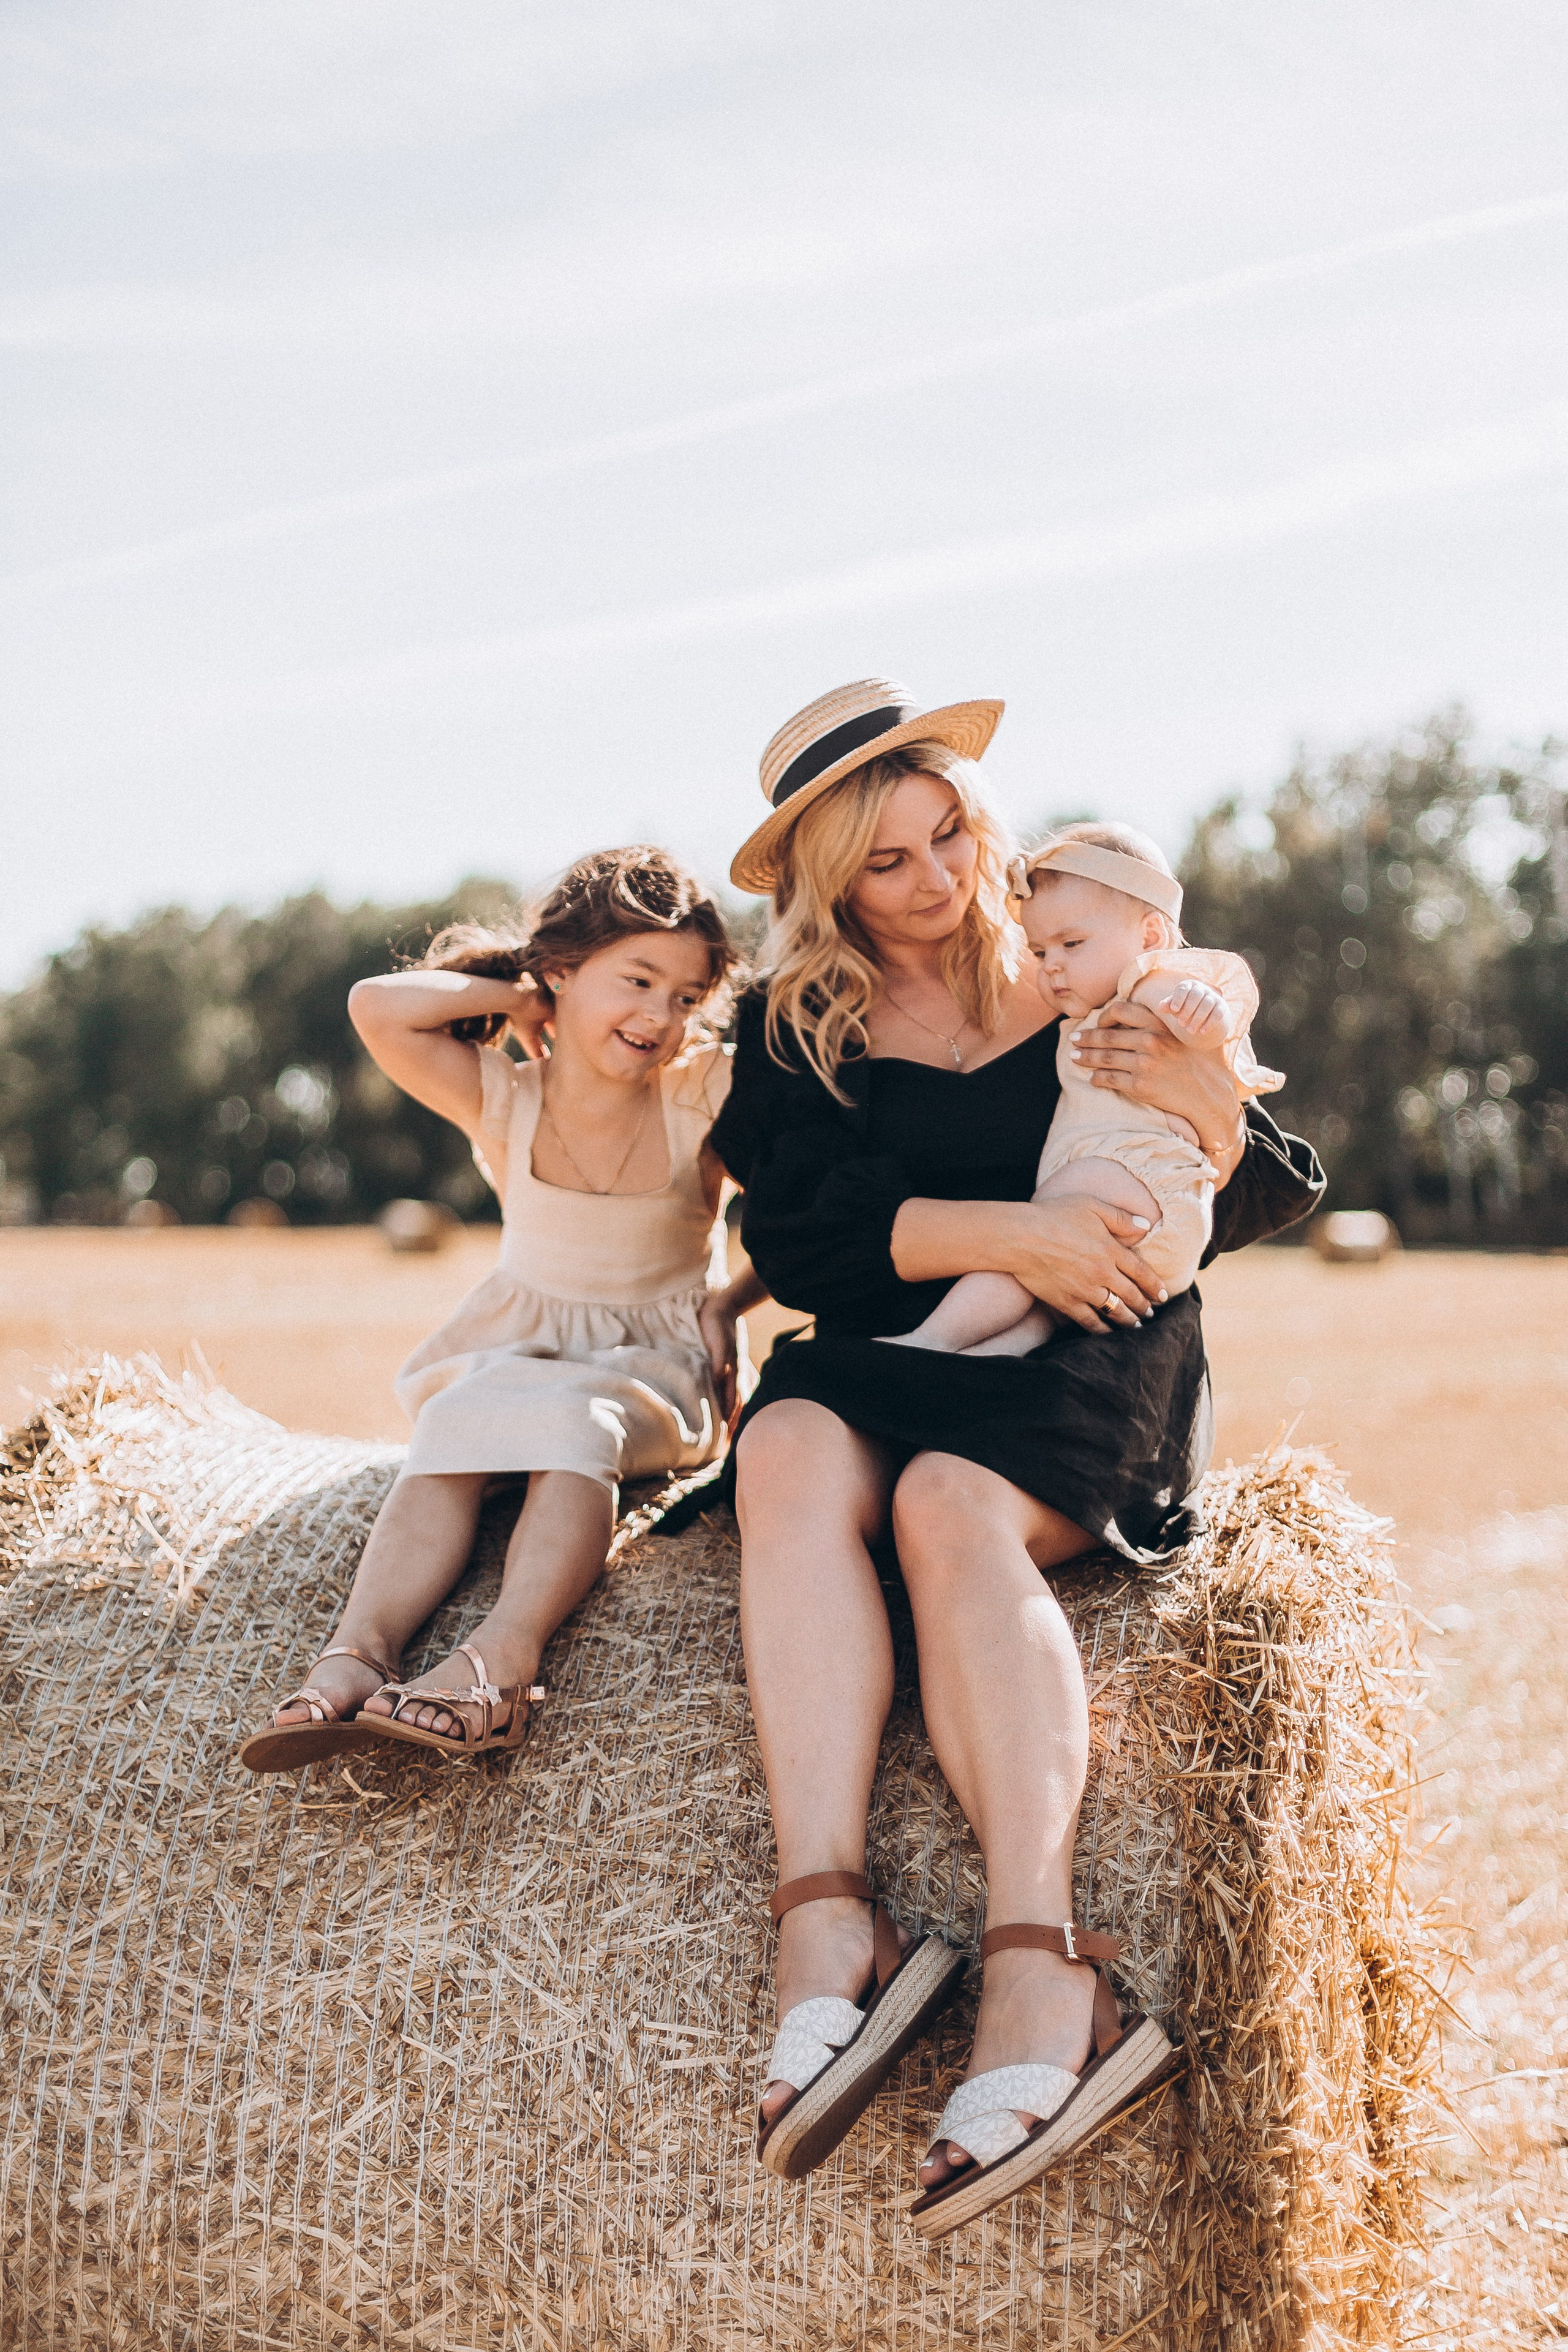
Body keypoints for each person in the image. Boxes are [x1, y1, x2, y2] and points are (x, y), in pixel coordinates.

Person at [709, 679, 1322, 2231]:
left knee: (943, 1499)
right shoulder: (794, 1025)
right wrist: (1012, 1234)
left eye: (946, 836)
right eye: (887, 862)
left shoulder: (1084, 951)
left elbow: (1249, 1185)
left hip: (1093, 1347)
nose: (935, 881)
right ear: (827, 883)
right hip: (900, 1335)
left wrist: (1178, 1106)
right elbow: (792, 1234)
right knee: (782, 1447)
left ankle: (1042, 1967)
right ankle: (824, 1916)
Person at [239, 845, 765, 1774]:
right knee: (451, 1426)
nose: (661, 1015)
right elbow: (376, 1006)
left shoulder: (700, 1094)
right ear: (560, 970)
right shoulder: (506, 1097)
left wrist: (736, 1298)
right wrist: (522, 993)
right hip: (518, 1348)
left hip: (656, 1365)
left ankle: (501, 1661)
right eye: (638, 980)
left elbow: (810, 1208)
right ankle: (357, 1652)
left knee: (575, 1421)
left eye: (687, 998)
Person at [881, 820, 1283, 1357]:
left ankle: (932, 1339)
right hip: (1125, 1199)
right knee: (1041, 1298)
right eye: (1041, 952)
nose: (1053, 967)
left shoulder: (1149, 983)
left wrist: (1201, 1007)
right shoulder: (1086, 1009)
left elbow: (1206, 1023)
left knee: (1032, 1236)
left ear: (1148, 938)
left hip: (1147, 1188)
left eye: (1072, 943)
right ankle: (985, 1355)